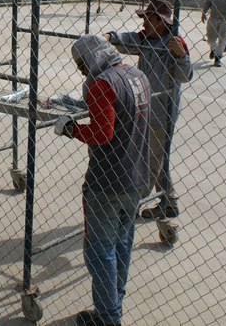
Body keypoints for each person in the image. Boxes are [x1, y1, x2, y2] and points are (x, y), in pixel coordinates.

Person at [53, 34, 151, 326]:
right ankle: (114, 303)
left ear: (93, 56)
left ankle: (108, 318)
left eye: (82, 63)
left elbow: (102, 133)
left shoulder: (101, 84)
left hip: (107, 181)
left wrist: (70, 129)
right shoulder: (136, 75)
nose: (82, 70)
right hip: (136, 174)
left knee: (99, 250)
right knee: (121, 244)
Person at [105, 0, 193, 220]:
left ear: (161, 22)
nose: (143, 23)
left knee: (151, 162)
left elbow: (185, 76)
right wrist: (110, 37)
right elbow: (126, 40)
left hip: (163, 112)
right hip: (144, 109)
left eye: (148, 19)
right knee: (156, 159)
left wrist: (181, 56)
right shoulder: (145, 38)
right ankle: (168, 202)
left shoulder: (174, 43)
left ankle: (134, 203)